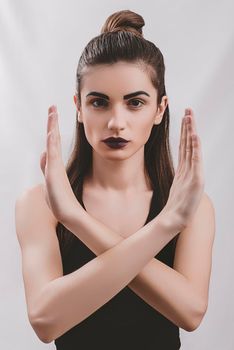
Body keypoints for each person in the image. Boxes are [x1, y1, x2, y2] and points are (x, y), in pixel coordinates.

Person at [15, 9, 215, 350]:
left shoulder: (189, 205)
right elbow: (46, 321)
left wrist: (77, 220)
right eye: (99, 103)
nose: (116, 122)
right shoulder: (39, 203)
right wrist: (166, 225)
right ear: (79, 107)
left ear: (159, 109)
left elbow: (191, 312)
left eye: (135, 103)